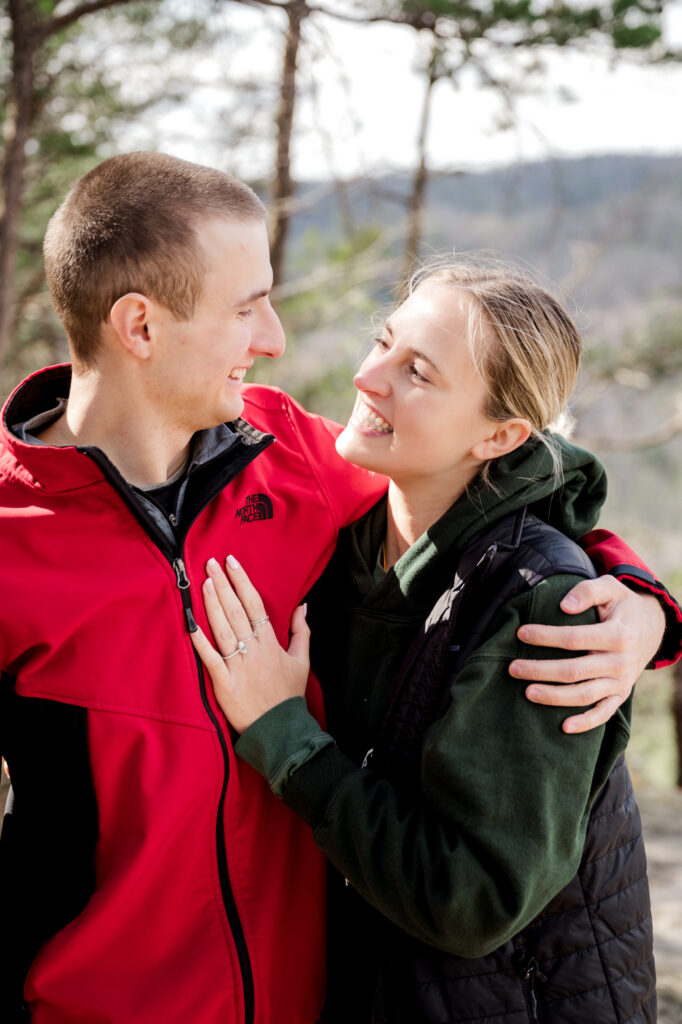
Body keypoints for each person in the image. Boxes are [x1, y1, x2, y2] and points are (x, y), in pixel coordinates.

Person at [0, 154, 677, 1024]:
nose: (276, 339)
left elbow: (508, 479)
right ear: (139, 325)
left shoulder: (295, 461)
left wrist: (637, 598)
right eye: (247, 308)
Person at [191, 256, 680, 1023]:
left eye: (416, 371)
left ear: (501, 435)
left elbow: (473, 900)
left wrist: (284, 735)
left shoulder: (548, 611)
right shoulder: (345, 534)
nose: (368, 378)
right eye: (382, 343)